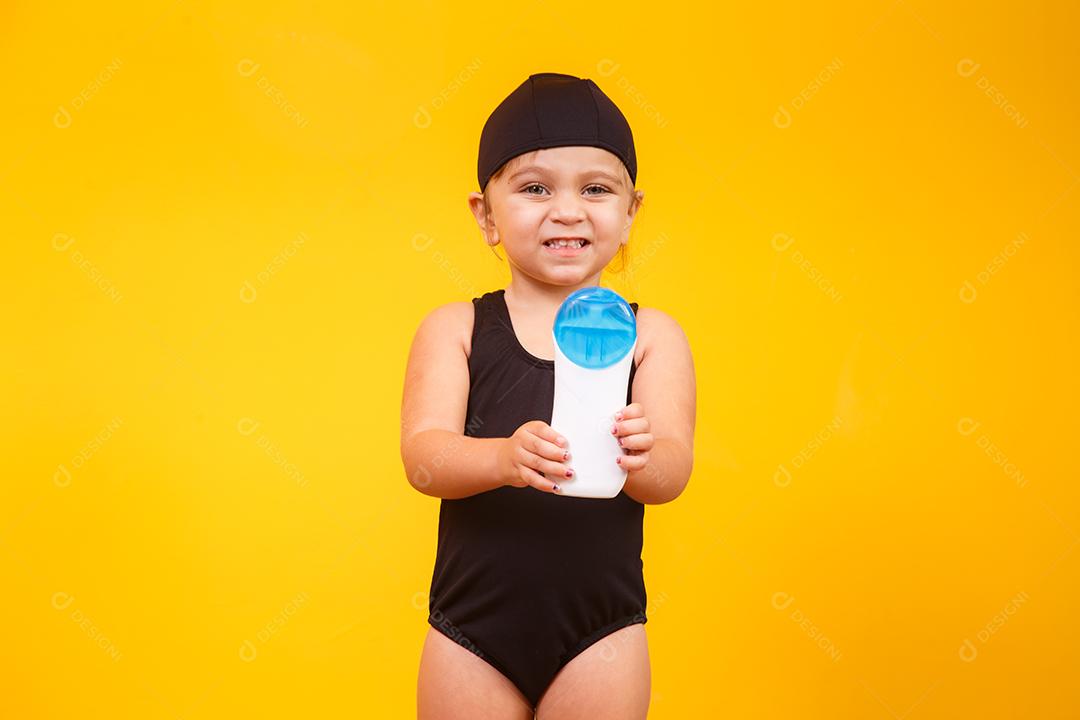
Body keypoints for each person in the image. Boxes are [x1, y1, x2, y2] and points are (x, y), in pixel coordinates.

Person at [400, 72, 696, 720]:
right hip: (471, 634)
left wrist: (643, 457)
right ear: (486, 216)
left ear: (630, 213)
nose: (567, 210)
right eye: (535, 188)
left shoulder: (652, 337)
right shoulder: (456, 329)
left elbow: (671, 473)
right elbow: (423, 459)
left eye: (596, 188)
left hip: (602, 635)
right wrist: (502, 458)